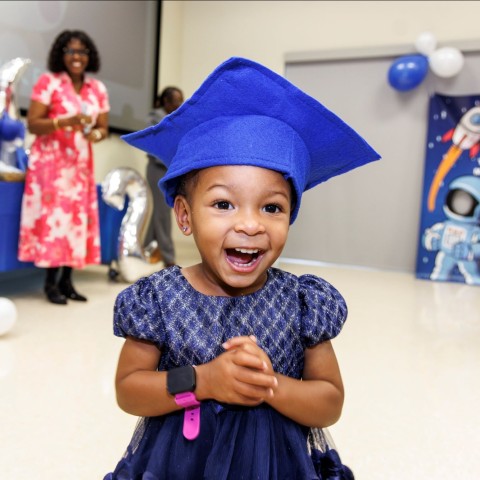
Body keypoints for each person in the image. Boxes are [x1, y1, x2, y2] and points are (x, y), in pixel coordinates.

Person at [104, 57, 380, 479]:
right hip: (179, 466)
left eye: (272, 207)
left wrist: (269, 384)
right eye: (223, 204)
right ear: (184, 215)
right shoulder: (159, 300)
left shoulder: (302, 303)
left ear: (290, 217)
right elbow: (129, 391)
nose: (250, 224)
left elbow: (329, 402)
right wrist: (202, 381)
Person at [18, 30, 110, 305]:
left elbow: (102, 127)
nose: (77, 56)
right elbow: (33, 123)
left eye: (82, 51)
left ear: (89, 56)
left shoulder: (98, 89)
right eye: (70, 51)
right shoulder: (48, 82)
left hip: (80, 165)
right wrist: (64, 122)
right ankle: (50, 284)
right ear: (61, 55)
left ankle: (67, 281)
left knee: (76, 222)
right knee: (53, 222)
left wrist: (96, 134)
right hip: (51, 165)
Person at [144, 87, 184, 266]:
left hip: (170, 170)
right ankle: (169, 260)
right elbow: (161, 146)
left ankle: (144, 251)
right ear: (166, 102)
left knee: (157, 215)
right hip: (157, 170)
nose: (180, 104)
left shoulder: (177, 118)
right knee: (163, 216)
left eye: (181, 100)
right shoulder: (155, 117)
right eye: (176, 101)